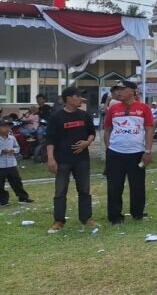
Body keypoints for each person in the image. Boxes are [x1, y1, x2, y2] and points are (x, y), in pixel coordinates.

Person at [44, 87, 97, 233]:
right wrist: (51, 158)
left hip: (82, 160)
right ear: (68, 99)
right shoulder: (56, 117)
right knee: (60, 191)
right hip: (62, 160)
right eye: (78, 96)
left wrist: (87, 142)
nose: (81, 99)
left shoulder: (84, 116)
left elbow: (92, 133)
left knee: (84, 190)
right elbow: (50, 139)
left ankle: (86, 218)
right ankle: (59, 221)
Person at [103, 80, 154, 225]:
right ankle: (115, 216)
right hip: (115, 153)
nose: (118, 92)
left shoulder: (143, 108)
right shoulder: (113, 109)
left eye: (122, 89)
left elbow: (149, 129)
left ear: (132, 90)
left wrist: (148, 151)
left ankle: (137, 213)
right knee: (114, 186)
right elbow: (107, 129)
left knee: (137, 185)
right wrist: (108, 148)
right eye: (116, 90)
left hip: (137, 153)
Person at [0, 119, 33, 207]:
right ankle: (3, 201)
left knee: (17, 182)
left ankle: (23, 198)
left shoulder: (12, 137)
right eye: (4, 127)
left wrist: (13, 150)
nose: (7, 129)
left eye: (8, 127)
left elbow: (17, 147)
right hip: (1, 164)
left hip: (11, 164)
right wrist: (2, 151)